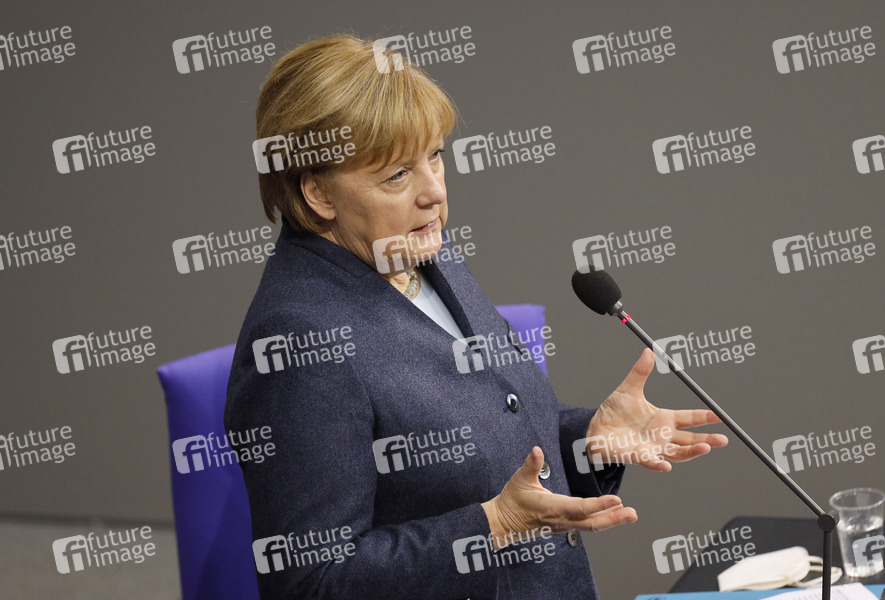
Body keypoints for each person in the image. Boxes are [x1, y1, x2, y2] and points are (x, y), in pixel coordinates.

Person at [225, 34, 728, 600]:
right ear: (317, 192)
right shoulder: (298, 341)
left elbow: (494, 429)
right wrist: (494, 526)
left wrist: (588, 439)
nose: (434, 193)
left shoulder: (422, 257)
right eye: (397, 175)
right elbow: (309, 583)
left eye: (435, 156)